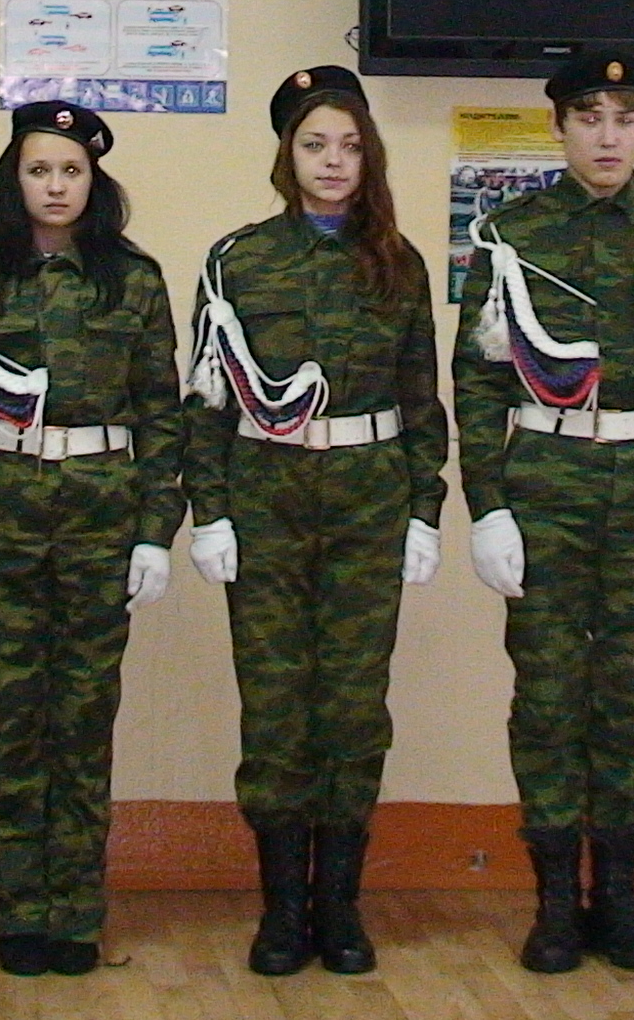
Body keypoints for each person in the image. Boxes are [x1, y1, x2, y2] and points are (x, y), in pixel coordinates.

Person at [452, 50, 634, 975]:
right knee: (545, 699)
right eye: (588, 117)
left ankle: (617, 897)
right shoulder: (512, 233)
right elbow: (478, 378)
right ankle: (551, 904)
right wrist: (488, 506)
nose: (607, 137)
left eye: (623, 117)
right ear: (559, 127)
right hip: (547, 482)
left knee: (629, 703)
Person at [182, 66, 448, 976]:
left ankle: (339, 904)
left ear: (369, 157)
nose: (333, 162)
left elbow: (422, 397)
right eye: (314, 144)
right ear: (286, 155)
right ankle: (281, 910)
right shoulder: (238, 260)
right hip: (267, 499)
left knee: (353, 709)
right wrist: (210, 514)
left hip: (370, 500)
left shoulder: (398, 264)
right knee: (274, 708)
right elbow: (207, 400)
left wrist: (425, 510)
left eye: (349, 146)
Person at [0, 101, 182, 978]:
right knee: (13, 718)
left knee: (84, 718)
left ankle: (76, 911)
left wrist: (155, 532)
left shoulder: (133, 282)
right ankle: (16, 909)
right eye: (39, 170)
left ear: (94, 181)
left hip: (102, 516)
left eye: (72, 171)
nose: (56, 186)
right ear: (14, 180)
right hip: (3, 515)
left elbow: (161, 414)